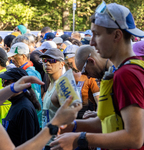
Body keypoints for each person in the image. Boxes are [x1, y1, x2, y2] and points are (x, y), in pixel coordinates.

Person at [50, 2, 144, 150]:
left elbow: (134, 138)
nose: (92, 42)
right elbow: (109, 122)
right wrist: (73, 126)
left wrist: (80, 138)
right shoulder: (127, 69)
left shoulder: (126, 74)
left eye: (97, 34)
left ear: (117, 35)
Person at [0, 68, 40, 146]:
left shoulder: (24, 109)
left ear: (20, 84)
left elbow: (27, 144)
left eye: (6, 82)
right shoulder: (15, 103)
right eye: (2, 82)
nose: (3, 86)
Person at [7, 42, 43, 128]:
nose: (12, 60)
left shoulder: (29, 74)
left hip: (31, 119)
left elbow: (34, 98)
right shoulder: (31, 71)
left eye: (14, 57)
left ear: (23, 56)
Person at [39, 48, 67, 150]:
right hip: (46, 142)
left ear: (62, 64)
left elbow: (71, 116)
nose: (47, 64)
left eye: (52, 61)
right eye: (45, 61)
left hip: (58, 143)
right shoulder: (50, 84)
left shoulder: (63, 86)